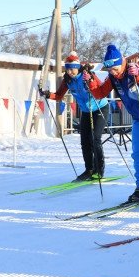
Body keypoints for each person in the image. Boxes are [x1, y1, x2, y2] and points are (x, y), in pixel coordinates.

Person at [90, 44, 139, 202]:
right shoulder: (112, 77)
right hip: (138, 118)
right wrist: (91, 81)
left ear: (121, 62)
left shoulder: (133, 68)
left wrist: (138, 74)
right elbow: (100, 93)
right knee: (137, 153)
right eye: (109, 69)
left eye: (115, 68)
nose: (113, 72)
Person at [40, 51, 109, 181]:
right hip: (86, 111)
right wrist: (48, 94)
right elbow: (59, 95)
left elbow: (101, 90)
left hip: (100, 108)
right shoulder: (68, 80)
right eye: (67, 69)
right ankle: (89, 170)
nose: (70, 72)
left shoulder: (87, 75)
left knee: (95, 139)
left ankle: (99, 171)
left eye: (72, 69)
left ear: (78, 68)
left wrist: (90, 83)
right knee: (84, 142)